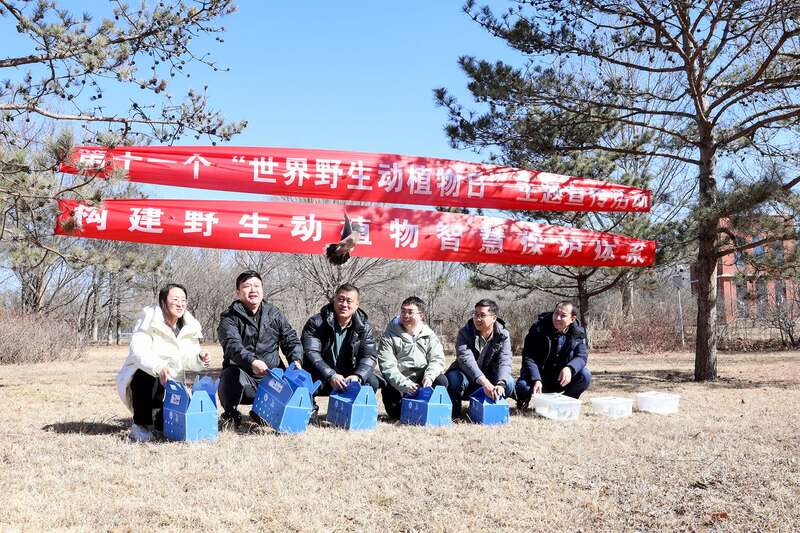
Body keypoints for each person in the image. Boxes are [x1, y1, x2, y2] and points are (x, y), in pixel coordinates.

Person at [116, 283, 211, 442]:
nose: (180, 304)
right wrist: (159, 367)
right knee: (144, 375)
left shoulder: (188, 325)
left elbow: (189, 358)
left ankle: (157, 417)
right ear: (163, 302)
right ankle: (141, 425)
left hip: (173, 385)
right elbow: (138, 352)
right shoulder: (148, 320)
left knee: (167, 428)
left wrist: (199, 357)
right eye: (175, 299)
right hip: (148, 378)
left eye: (183, 300)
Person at [217, 270, 303, 427]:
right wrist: (252, 362)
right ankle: (231, 413)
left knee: (296, 377)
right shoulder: (228, 317)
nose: (253, 290)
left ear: (262, 289)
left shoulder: (274, 313)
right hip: (244, 379)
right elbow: (232, 345)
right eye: (247, 286)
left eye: (257, 285)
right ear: (238, 292)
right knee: (230, 374)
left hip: (272, 377)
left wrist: (295, 359)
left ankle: (266, 412)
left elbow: (291, 339)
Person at [301, 283, 382, 411]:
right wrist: (331, 375)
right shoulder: (316, 322)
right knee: (303, 379)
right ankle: (309, 409)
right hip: (322, 375)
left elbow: (369, 356)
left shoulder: (365, 327)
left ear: (356, 305)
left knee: (371, 380)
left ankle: (353, 409)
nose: (344, 304)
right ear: (334, 300)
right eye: (341, 299)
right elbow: (311, 352)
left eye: (349, 301)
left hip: (348, 377)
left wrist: (357, 376)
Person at [377, 296, 448, 419]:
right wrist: (405, 384)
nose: (405, 315)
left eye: (410, 312)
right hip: (399, 381)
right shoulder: (389, 335)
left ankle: (432, 409)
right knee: (397, 414)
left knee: (441, 381)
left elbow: (437, 359)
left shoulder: (429, 335)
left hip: (423, 379)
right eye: (403, 311)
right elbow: (387, 366)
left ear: (421, 315)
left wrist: (429, 377)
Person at [446, 298, 515, 418]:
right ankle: (455, 412)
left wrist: (500, 383)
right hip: (467, 378)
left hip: (490, 378)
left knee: (508, 382)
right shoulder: (465, 332)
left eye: (482, 315)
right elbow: (466, 360)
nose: (477, 319)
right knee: (453, 379)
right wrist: (484, 382)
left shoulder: (503, 335)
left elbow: (505, 359)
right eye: (475, 315)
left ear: (493, 318)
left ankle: (492, 410)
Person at [516, 301, 591, 409]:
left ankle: (564, 404)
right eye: (556, 313)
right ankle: (523, 402)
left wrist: (570, 368)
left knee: (585, 375)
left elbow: (582, 356)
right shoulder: (538, 328)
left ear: (572, 319)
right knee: (523, 386)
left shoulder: (578, 332)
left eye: (563, 316)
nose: (557, 318)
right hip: (538, 376)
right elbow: (529, 357)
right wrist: (536, 379)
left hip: (561, 378)